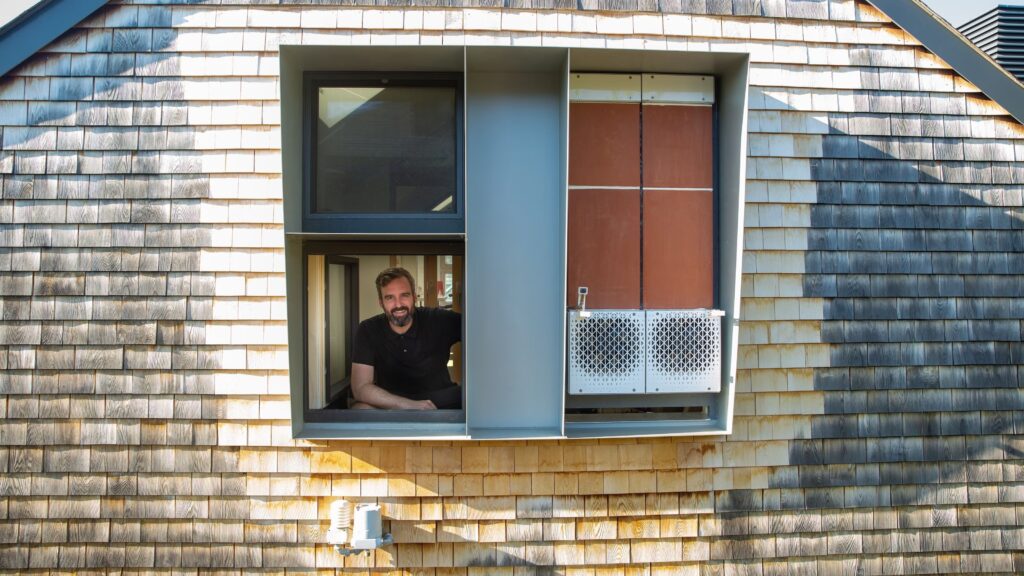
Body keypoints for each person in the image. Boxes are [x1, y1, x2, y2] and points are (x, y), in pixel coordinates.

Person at [349, 267, 462, 410]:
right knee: (360, 409)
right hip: (391, 404)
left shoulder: (438, 319)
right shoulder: (368, 329)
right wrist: (409, 405)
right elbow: (360, 387)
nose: (398, 304)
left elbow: (485, 332)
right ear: (381, 302)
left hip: (440, 401)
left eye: (404, 295)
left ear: (414, 297)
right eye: (390, 297)